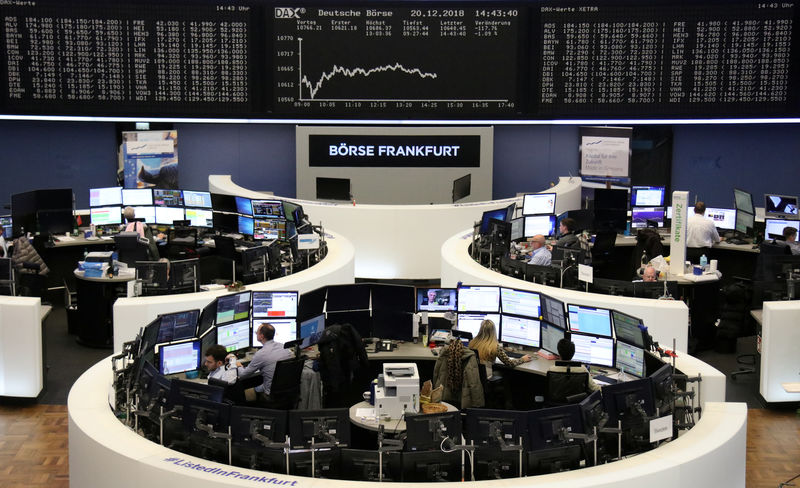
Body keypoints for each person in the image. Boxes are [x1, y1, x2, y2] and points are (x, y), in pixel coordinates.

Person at [228, 322, 292, 396]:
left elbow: (242, 375)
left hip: (270, 392)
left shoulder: (261, 354)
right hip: (286, 389)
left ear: (261, 336)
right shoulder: (284, 347)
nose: (256, 334)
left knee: (241, 391)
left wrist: (239, 365)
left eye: (256, 333)